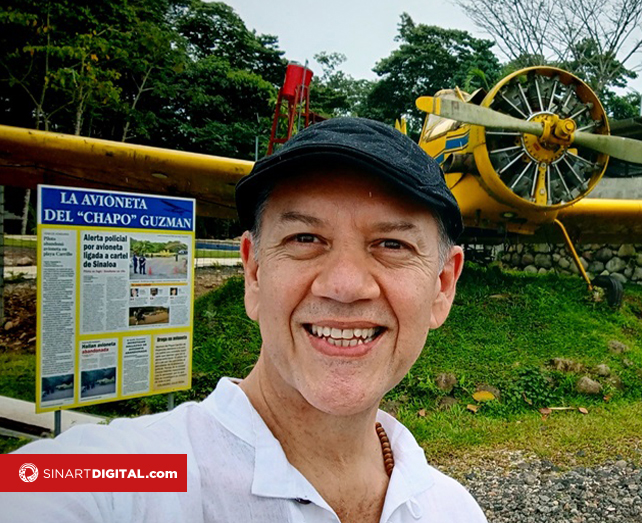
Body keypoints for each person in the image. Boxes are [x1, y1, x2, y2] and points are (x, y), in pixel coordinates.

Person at [6, 118, 485, 522]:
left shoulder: (455, 510)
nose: (344, 285)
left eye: (392, 245)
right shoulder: (126, 474)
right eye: (304, 238)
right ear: (253, 271)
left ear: (443, 285)